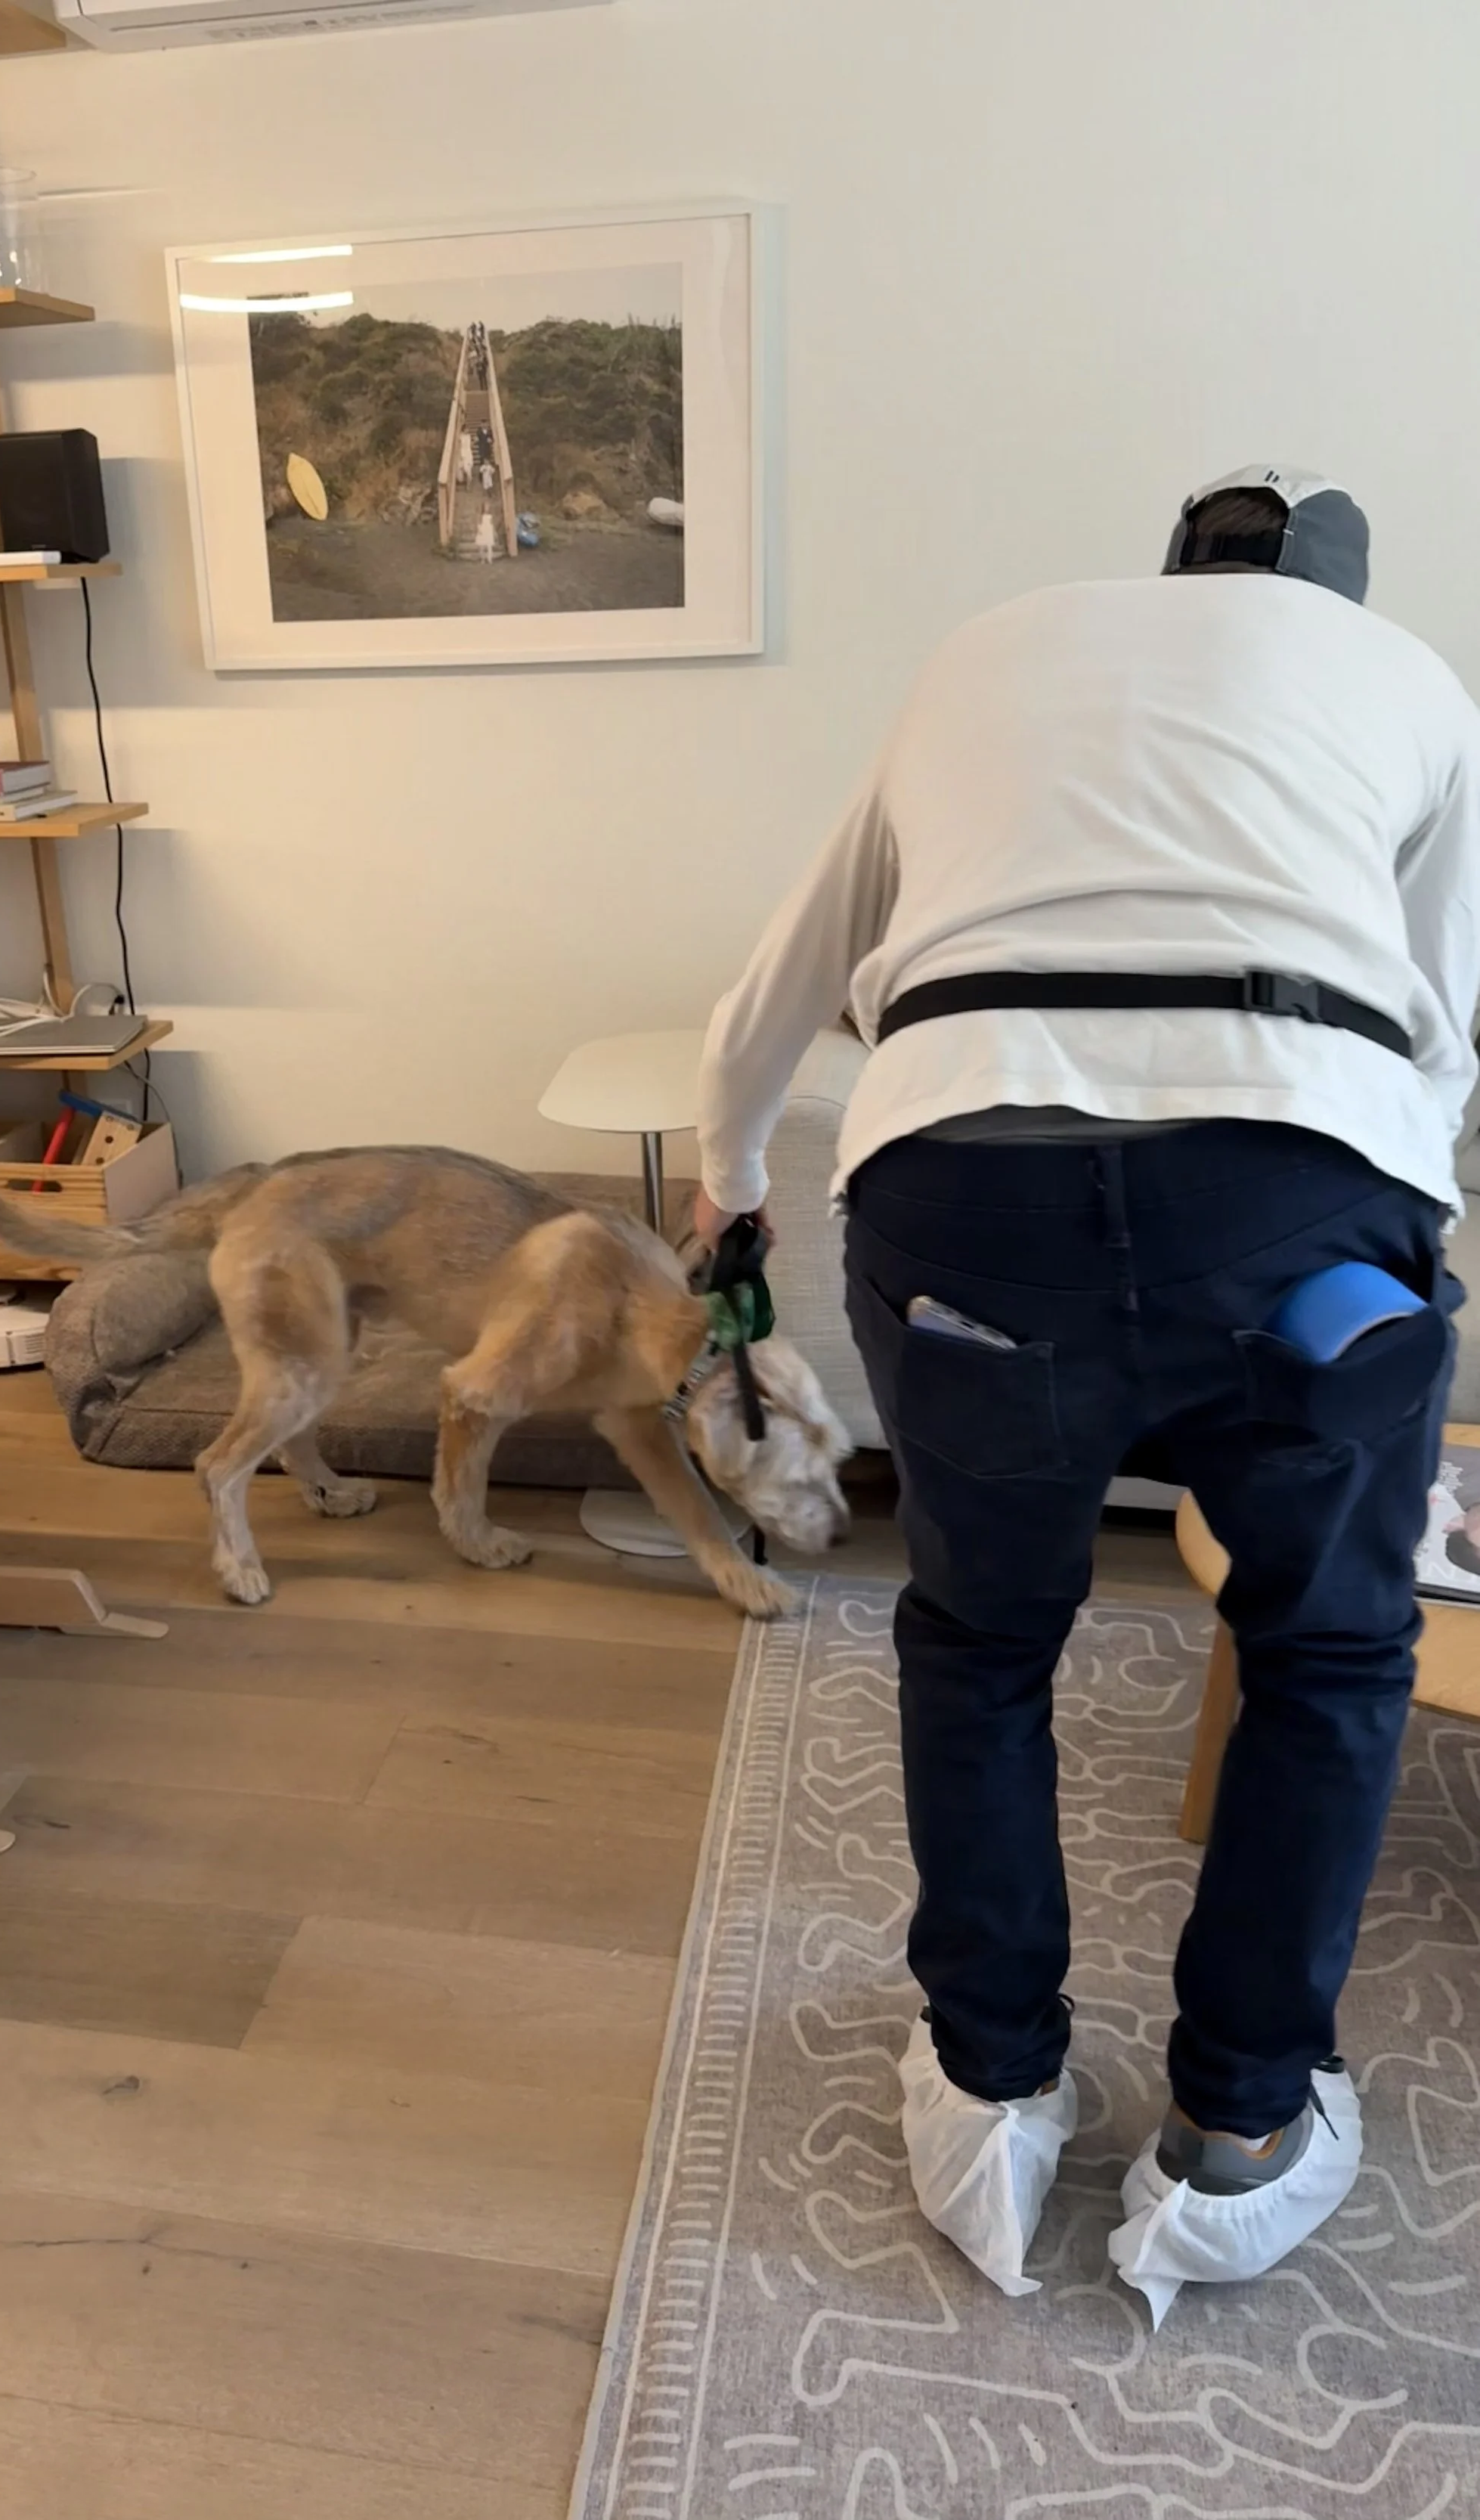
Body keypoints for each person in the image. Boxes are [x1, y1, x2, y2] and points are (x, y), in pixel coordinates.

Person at [694, 466, 1480, 2316]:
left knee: (979, 1641)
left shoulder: (991, 648)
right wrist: (1392, 1250)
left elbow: (778, 978)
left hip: (964, 1184)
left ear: (1169, 572)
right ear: (1332, 599)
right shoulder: (1409, 682)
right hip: (1298, 1196)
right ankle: (1238, 2126)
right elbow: (1444, 1019)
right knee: (1324, 1650)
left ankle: (987, 2093)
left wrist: (728, 1183)